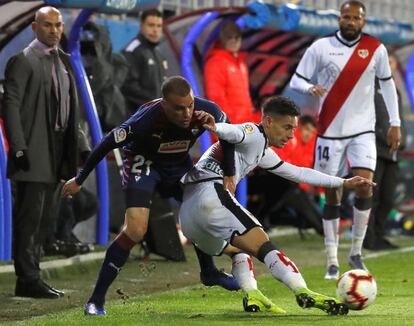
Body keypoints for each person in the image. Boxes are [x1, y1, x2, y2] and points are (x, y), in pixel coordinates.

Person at [179, 95, 374, 315]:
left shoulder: (262, 150)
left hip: (189, 217)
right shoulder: (253, 133)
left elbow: (298, 173)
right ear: (269, 121)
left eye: (294, 129)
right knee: (264, 245)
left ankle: (252, 294)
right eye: (287, 127)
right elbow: (234, 132)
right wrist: (217, 127)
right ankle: (303, 291)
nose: (291, 135)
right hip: (210, 197)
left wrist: (344, 182)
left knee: (239, 249)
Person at [62, 76, 239, 315]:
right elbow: (106, 143)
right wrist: (79, 179)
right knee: (135, 230)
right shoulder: (145, 121)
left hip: (178, 165)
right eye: (179, 108)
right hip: (144, 164)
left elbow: (229, 137)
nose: (187, 113)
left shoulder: (207, 110)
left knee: (200, 214)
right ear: (164, 104)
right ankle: (96, 300)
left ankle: (208, 272)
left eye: (189, 105)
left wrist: (229, 174)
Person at [289, 0, 401, 279]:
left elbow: (387, 85)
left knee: (365, 186)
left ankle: (356, 253)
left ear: (364, 21)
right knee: (332, 193)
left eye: (356, 18)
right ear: (339, 18)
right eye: (346, 16)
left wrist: (395, 123)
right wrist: (310, 87)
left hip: (364, 131)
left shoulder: (376, 48)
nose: (351, 21)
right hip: (329, 132)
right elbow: (296, 80)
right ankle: (331, 259)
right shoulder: (321, 47)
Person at [2, 6, 89, 299]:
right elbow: (10, 106)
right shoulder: (23, 61)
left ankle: (32, 275)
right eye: (48, 25)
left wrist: (81, 146)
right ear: (34, 27)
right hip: (34, 149)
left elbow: (69, 110)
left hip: (56, 151)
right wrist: (19, 147)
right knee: (30, 217)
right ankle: (27, 278)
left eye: (58, 25)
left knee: (45, 217)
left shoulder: (62, 60)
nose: (54, 31)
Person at [364, 55, 407, 250]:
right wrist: (386, 138)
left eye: (391, 62)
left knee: (388, 199)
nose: (388, 66)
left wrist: (402, 140)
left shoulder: (395, 91)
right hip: (376, 150)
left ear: (395, 65)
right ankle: (369, 238)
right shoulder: (370, 87)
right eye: (385, 62)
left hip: (393, 153)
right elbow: (369, 119)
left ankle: (380, 235)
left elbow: (399, 120)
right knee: (372, 197)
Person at [204, 20, 260, 124]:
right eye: (229, 37)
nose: (233, 40)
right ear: (222, 40)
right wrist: (229, 125)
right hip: (231, 128)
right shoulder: (215, 62)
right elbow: (216, 98)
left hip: (244, 127)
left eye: (237, 37)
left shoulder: (241, 64)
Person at [122, 8, 168, 114]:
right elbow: (127, 87)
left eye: (159, 26)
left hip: (154, 116)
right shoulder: (132, 51)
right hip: (135, 118)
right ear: (141, 26)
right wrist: (156, 103)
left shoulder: (159, 55)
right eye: (151, 25)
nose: (155, 30)